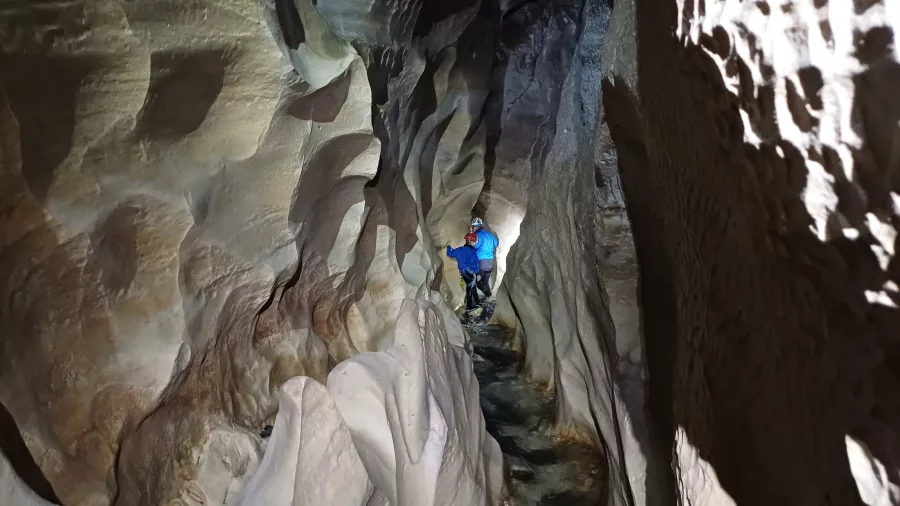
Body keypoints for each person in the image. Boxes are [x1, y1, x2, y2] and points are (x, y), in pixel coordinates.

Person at [446, 233, 482, 314]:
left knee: (472, 287)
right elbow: (474, 263)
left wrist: (448, 247)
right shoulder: (472, 251)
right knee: (470, 289)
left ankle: (478, 303)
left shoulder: (459, 250)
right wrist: (477, 273)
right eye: (474, 241)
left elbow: (450, 254)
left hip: (463, 273)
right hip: (470, 273)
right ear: (472, 242)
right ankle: (469, 308)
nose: (475, 243)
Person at [470, 217, 499, 300]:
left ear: (475, 227)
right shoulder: (490, 234)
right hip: (490, 262)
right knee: (485, 281)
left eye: (473, 227)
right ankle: (488, 299)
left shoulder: (477, 235)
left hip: (482, 262)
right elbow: (496, 244)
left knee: (477, 281)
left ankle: (487, 295)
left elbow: (476, 246)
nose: (473, 228)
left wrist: (471, 243)